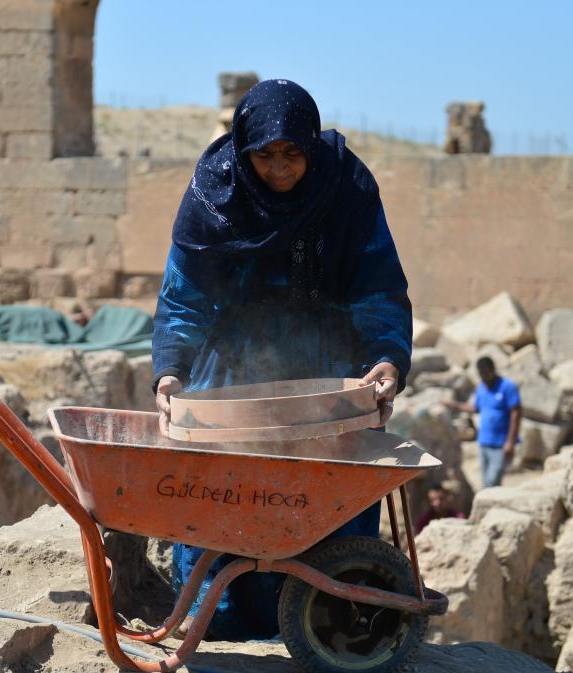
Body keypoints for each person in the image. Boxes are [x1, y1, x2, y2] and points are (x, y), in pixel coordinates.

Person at [151, 79, 413, 641]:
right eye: (264, 155)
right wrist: (171, 366)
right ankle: (216, 631)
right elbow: (184, 293)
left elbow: (377, 284)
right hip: (231, 370)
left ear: (311, 147)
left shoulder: (345, 187)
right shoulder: (212, 195)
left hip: (325, 365)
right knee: (221, 502)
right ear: (243, 150)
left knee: (325, 506)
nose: (278, 168)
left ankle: (328, 631)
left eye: (292, 153)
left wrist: (387, 357)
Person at [444, 356, 521, 488]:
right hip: (484, 442)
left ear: (493, 370)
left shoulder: (507, 387)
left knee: (493, 481)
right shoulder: (481, 388)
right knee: (485, 482)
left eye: (486, 372)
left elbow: (516, 413)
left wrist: (510, 441)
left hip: (501, 444)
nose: (484, 376)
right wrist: (455, 405)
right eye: (481, 374)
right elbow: (476, 407)